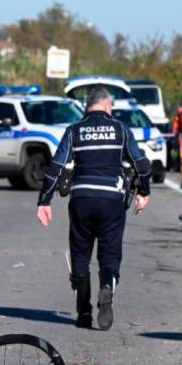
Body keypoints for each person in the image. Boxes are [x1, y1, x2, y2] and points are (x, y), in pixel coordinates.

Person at [36, 86, 150, 331]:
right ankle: (107, 286)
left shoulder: (74, 130)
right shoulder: (120, 129)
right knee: (109, 253)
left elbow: (56, 166)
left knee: (80, 254)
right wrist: (144, 191)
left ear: (88, 105)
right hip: (112, 200)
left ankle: (84, 311)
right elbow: (141, 162)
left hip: (82, 198)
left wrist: (44, 201)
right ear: (108, 106)